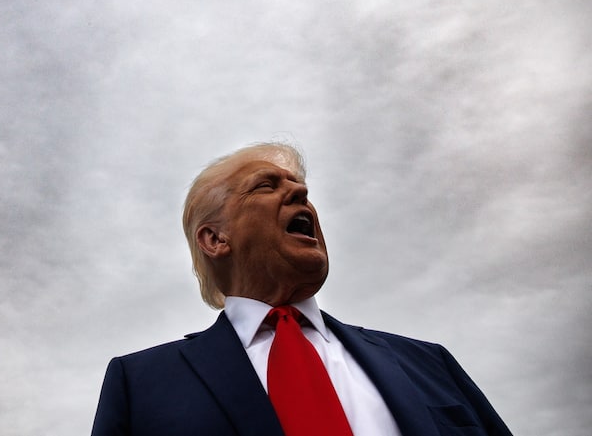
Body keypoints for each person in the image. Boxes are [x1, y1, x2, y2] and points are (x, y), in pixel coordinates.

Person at [90, 142, 513, 436]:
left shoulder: (430, 363)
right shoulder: (139, 384)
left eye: (298, 186)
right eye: (267, 185)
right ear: (215, 239)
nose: (301, 192)